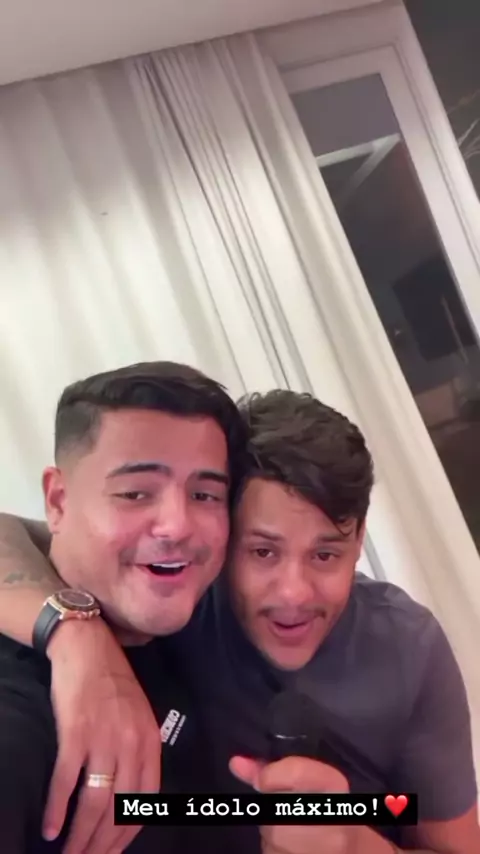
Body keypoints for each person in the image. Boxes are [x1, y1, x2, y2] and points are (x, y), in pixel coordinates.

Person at [1, 387, 479, 854]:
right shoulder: (175, 600)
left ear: (358, 543)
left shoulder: (407, 646)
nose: (294, 593)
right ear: (225, 535)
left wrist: (357, 844)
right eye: (263, 551)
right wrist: (76, 637)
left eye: (326, 555)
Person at [0, 359, 248, 854]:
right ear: (58, 501)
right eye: (135, 493)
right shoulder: (19, 717)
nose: (177, 525)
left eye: (205, 494)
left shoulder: (216, 614)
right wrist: (71, 631)